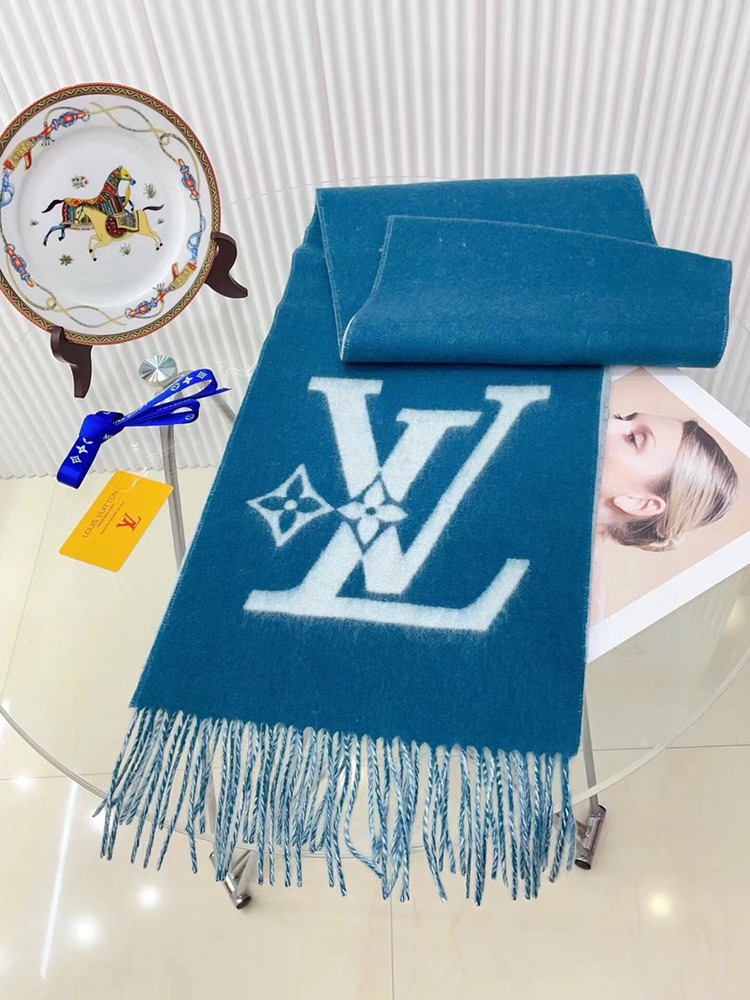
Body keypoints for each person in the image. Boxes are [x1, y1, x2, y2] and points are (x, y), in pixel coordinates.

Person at [589, 411, 738, 623]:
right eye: (623, 418)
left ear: (639, 502)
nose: (608, 421)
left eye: (633, 439)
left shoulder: (577, 601)